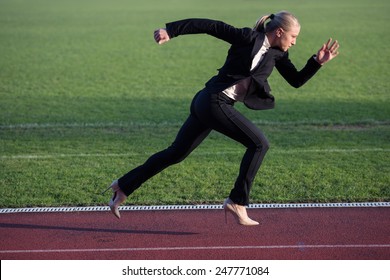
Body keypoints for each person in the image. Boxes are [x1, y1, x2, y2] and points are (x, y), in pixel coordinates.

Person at [104, 11, 340, 226]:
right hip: (211, 100)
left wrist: (317, 62)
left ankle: (123, 186)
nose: (294, 42)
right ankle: (237, 202)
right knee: (259, 144)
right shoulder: (247, 38)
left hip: (211, 103)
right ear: (279, 32)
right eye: (293, 36)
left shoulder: (278, 54)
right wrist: (172, 31)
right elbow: (210, 26)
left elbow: (296, 80)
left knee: (176, 153)